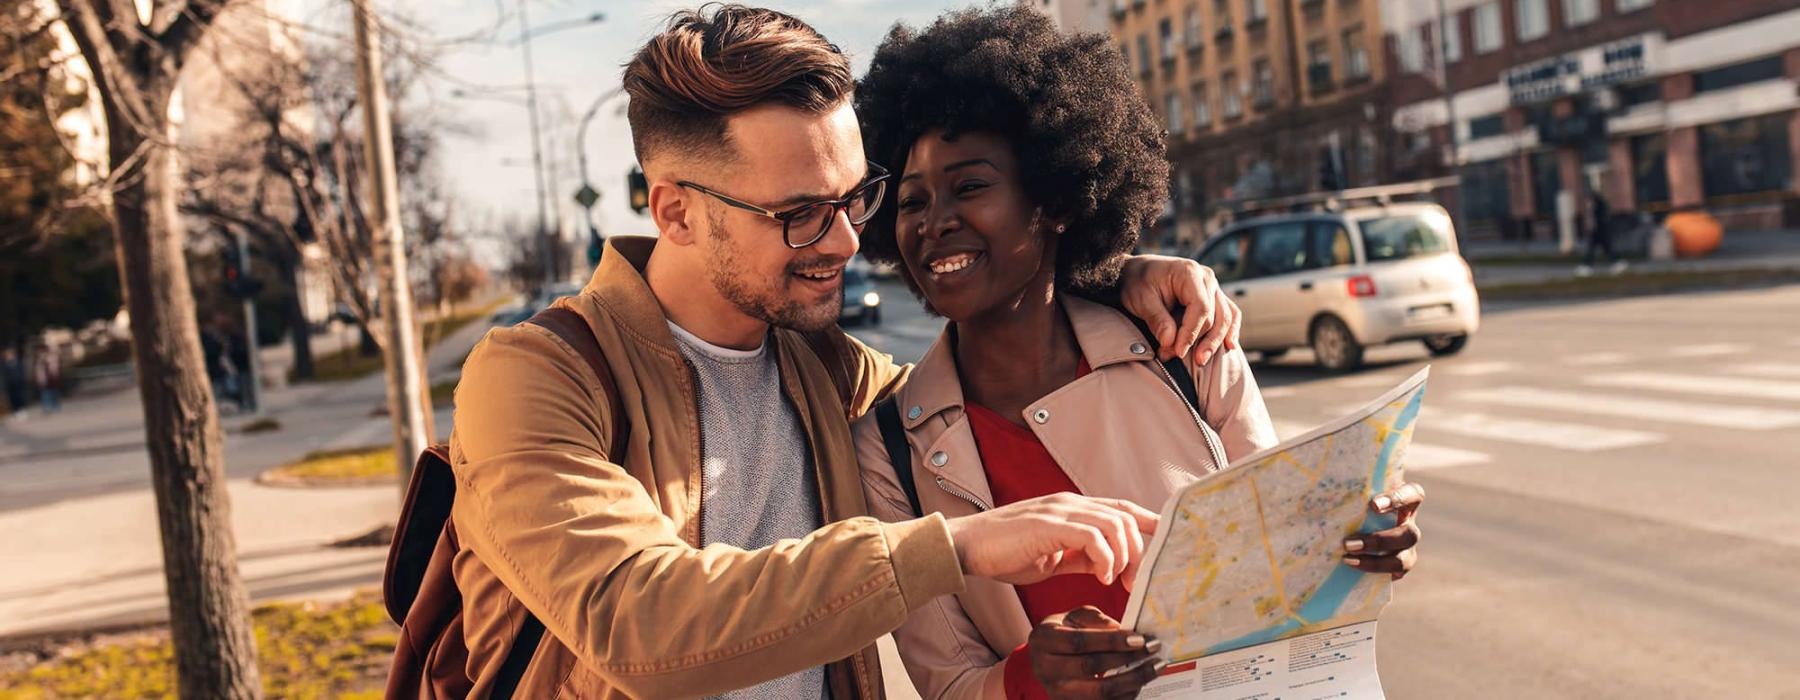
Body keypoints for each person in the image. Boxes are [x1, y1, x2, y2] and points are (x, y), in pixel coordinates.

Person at [433, 5, 1247, 698]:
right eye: (800, 213)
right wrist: (953, 548)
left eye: (856, 196)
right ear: (676, 213)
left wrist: (1111, 275)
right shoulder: (537, 374)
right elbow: (635, 618)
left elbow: (987, 370)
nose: (849, 239)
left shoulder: (827, 368)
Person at [849, 8, 1427, 698]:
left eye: (970, 186)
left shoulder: (1184, 342)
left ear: (1056, 198)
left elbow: (1284, 566)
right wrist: (1034, 676)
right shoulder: (887, 444)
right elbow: (949, 685)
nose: (935, 221)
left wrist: (1359, 544)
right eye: (912, 202)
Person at [1577, 189, 1626, 277]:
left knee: (1595, 249)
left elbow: (1599, 220)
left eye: (1588, 199)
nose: (1587, 201)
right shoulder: (1596, 206)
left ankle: (1587, 266)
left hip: (1600, 232)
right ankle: (1617, 262)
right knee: (1604, 249)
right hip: (1599, 232)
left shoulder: (1598, 206)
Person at [34, 343, 62, 414]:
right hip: (44, 380)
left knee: (54, 393)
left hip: (52, 378)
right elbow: (38, 371)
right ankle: (47, 407)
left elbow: (55, 367)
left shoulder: (52, 357)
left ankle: (55, 406)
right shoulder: (39, 360)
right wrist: (39, 379)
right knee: (45, 394)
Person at [2, 348, 26, 415]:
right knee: (12, 397)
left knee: (20, 396)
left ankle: (21, 409)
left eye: (10, 355)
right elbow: (4, 375)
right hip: (10, 384)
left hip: (18, 382)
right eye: (7, 355)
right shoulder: (4, 364)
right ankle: (15, 410)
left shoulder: (18, 362)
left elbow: (22, 372)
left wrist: (22, 379)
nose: (9, 356)